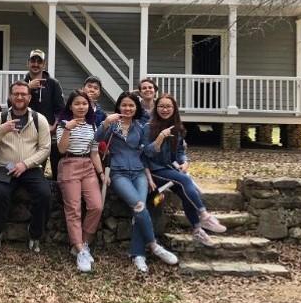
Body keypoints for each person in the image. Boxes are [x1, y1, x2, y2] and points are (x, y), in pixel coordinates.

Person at [96, 91, 177, 273]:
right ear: (119, 107)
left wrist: (159, 139)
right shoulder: (112, 126)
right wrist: (106, 122)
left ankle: (138, 254)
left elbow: (147, 152)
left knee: (140, 211)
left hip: (139, 172)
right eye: (124, 105)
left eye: (131, 105)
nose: (127, 108)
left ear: (136, 108)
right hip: (118, 173)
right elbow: (96, 139)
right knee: (140, 206)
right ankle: (155, 246)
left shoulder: (140, 127)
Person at [142, 94, 226, 247]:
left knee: (186, 191)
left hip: (170, 169)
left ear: (174, 109)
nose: (165, 109)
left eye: (168, 106)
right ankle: (204, 215)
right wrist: (160, 138)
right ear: (156, 108)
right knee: (186, 181)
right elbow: (146, 153)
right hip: (154, 170)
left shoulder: (177, 128)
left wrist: (185, 162)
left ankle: (197, 230)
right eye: (161, 106)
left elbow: (180, 151)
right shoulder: (148, 127)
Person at [0, 80, 51, 253]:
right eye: (16, 94)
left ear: (29, 97)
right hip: (4, 167)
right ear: (10, 96)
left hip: (30, 168)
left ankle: (35, 234)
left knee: (44, 194)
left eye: (23, 94)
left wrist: (25, 164)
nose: (19, 97)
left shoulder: (38, 119)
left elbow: (45, 149)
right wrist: (2, 130)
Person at [56, 89, 105, 273]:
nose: (81, 107)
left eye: (84, 103)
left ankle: (83, 244)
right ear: (70, 106)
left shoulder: (93, 126)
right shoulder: (63, 124)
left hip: (87, 165)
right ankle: (79, 250)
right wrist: (68, 128)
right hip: (69, 163)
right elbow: (61, 149)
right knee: (73, 209)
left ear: (89, 106)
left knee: (96, 206)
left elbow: (94, 153)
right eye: (77, 103)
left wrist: (101, 173)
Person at [24, 49, 64, 179]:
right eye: (33, 61)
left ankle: (56, 193)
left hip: (50, 134)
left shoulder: (53, 84)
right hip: (28, 134)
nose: (36, 64)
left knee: (56, 169)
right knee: (34, 170)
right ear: (28, 63)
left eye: (39, 61)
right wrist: (28, 88)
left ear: (44, 64)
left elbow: (61, 110)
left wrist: (54, 126)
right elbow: (11, 104)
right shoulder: (22, 84)